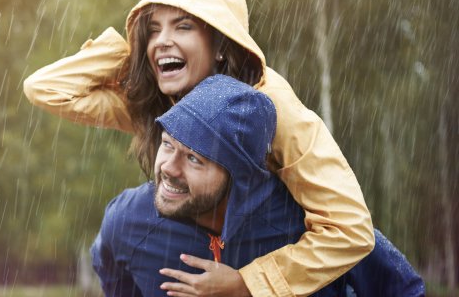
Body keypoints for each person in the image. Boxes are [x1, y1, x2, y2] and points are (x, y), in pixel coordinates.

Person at [24, 0, 375, 296]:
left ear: (222, 44)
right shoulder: (160, 102)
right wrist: (135, 52)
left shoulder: (273, 107)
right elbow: (47, 89)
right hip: (194, 247)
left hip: (275, 256)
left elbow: (350, 230)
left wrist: (247, 283)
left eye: (183, 27)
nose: (162, 40)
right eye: (154, 30)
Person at [90, 74, 425, 297]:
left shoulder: (309, 226)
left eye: (194, 159)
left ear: (240, 174)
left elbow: (403, 288)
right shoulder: (128, 220)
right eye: (167, 145)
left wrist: (249, 285)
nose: (168, 169)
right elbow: (112, 275)